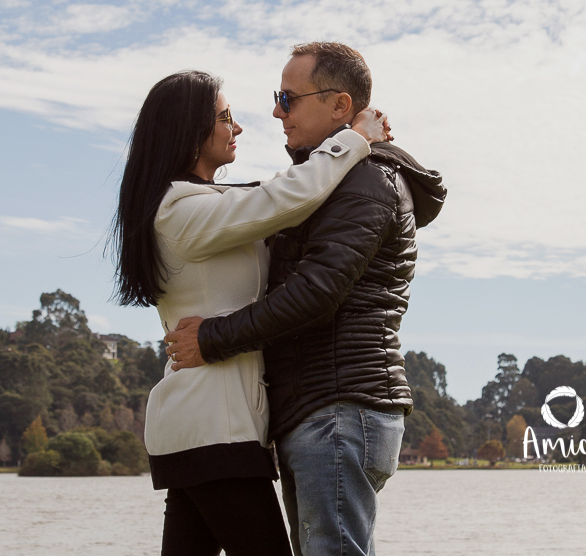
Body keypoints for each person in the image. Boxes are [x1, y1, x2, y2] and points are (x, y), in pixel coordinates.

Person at [162, 42, 447, 556]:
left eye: (288, 98)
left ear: (339, 105)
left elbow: (315, 293)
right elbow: (258, 201)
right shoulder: (324, 184)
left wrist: (212, 337)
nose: (277, 112)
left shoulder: (365, 179)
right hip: (317, 410)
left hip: (339, 407)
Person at [110, 69, 389, 556]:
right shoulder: (178, 211)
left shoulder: (205, 203)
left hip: (206, 424)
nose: (236, 127)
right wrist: (353, 140)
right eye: (225, 117)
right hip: (215, 428)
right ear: (188, 130)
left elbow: (277, 193)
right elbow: (284, 197)